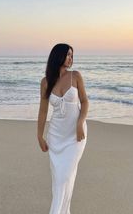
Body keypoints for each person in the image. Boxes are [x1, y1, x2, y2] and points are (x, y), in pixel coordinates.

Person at [37, 43, 89, 214]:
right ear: (57, 56)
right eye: (67, 55)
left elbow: (85, 102)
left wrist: (80, 123)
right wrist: (40, 136)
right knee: (59, 179)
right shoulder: (45, 82)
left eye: (72, 55)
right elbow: (43, 110)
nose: (70, 58)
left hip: (76, 136)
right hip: (56, 136)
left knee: (65, 176)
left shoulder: (76, 76)